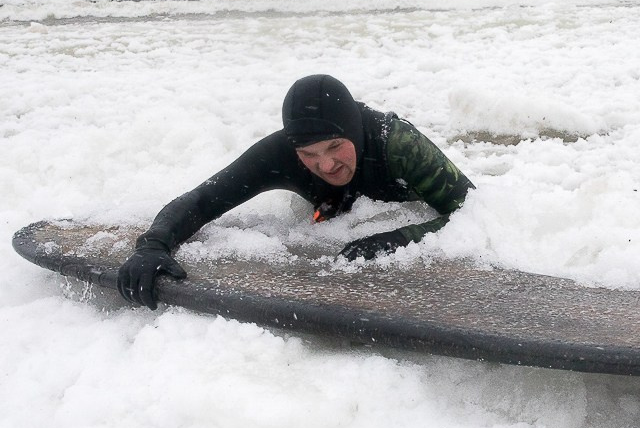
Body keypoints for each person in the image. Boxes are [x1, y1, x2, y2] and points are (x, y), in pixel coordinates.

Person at [116, 74, 475, 309]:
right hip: (335, 220)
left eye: (336, 146)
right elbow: (203, 198)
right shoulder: (279, 155)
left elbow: (473, 211)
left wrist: (396, 238)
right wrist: (154, 244)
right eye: (309, 155)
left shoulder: (397, 144)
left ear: (354, 132)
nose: (326, 164)